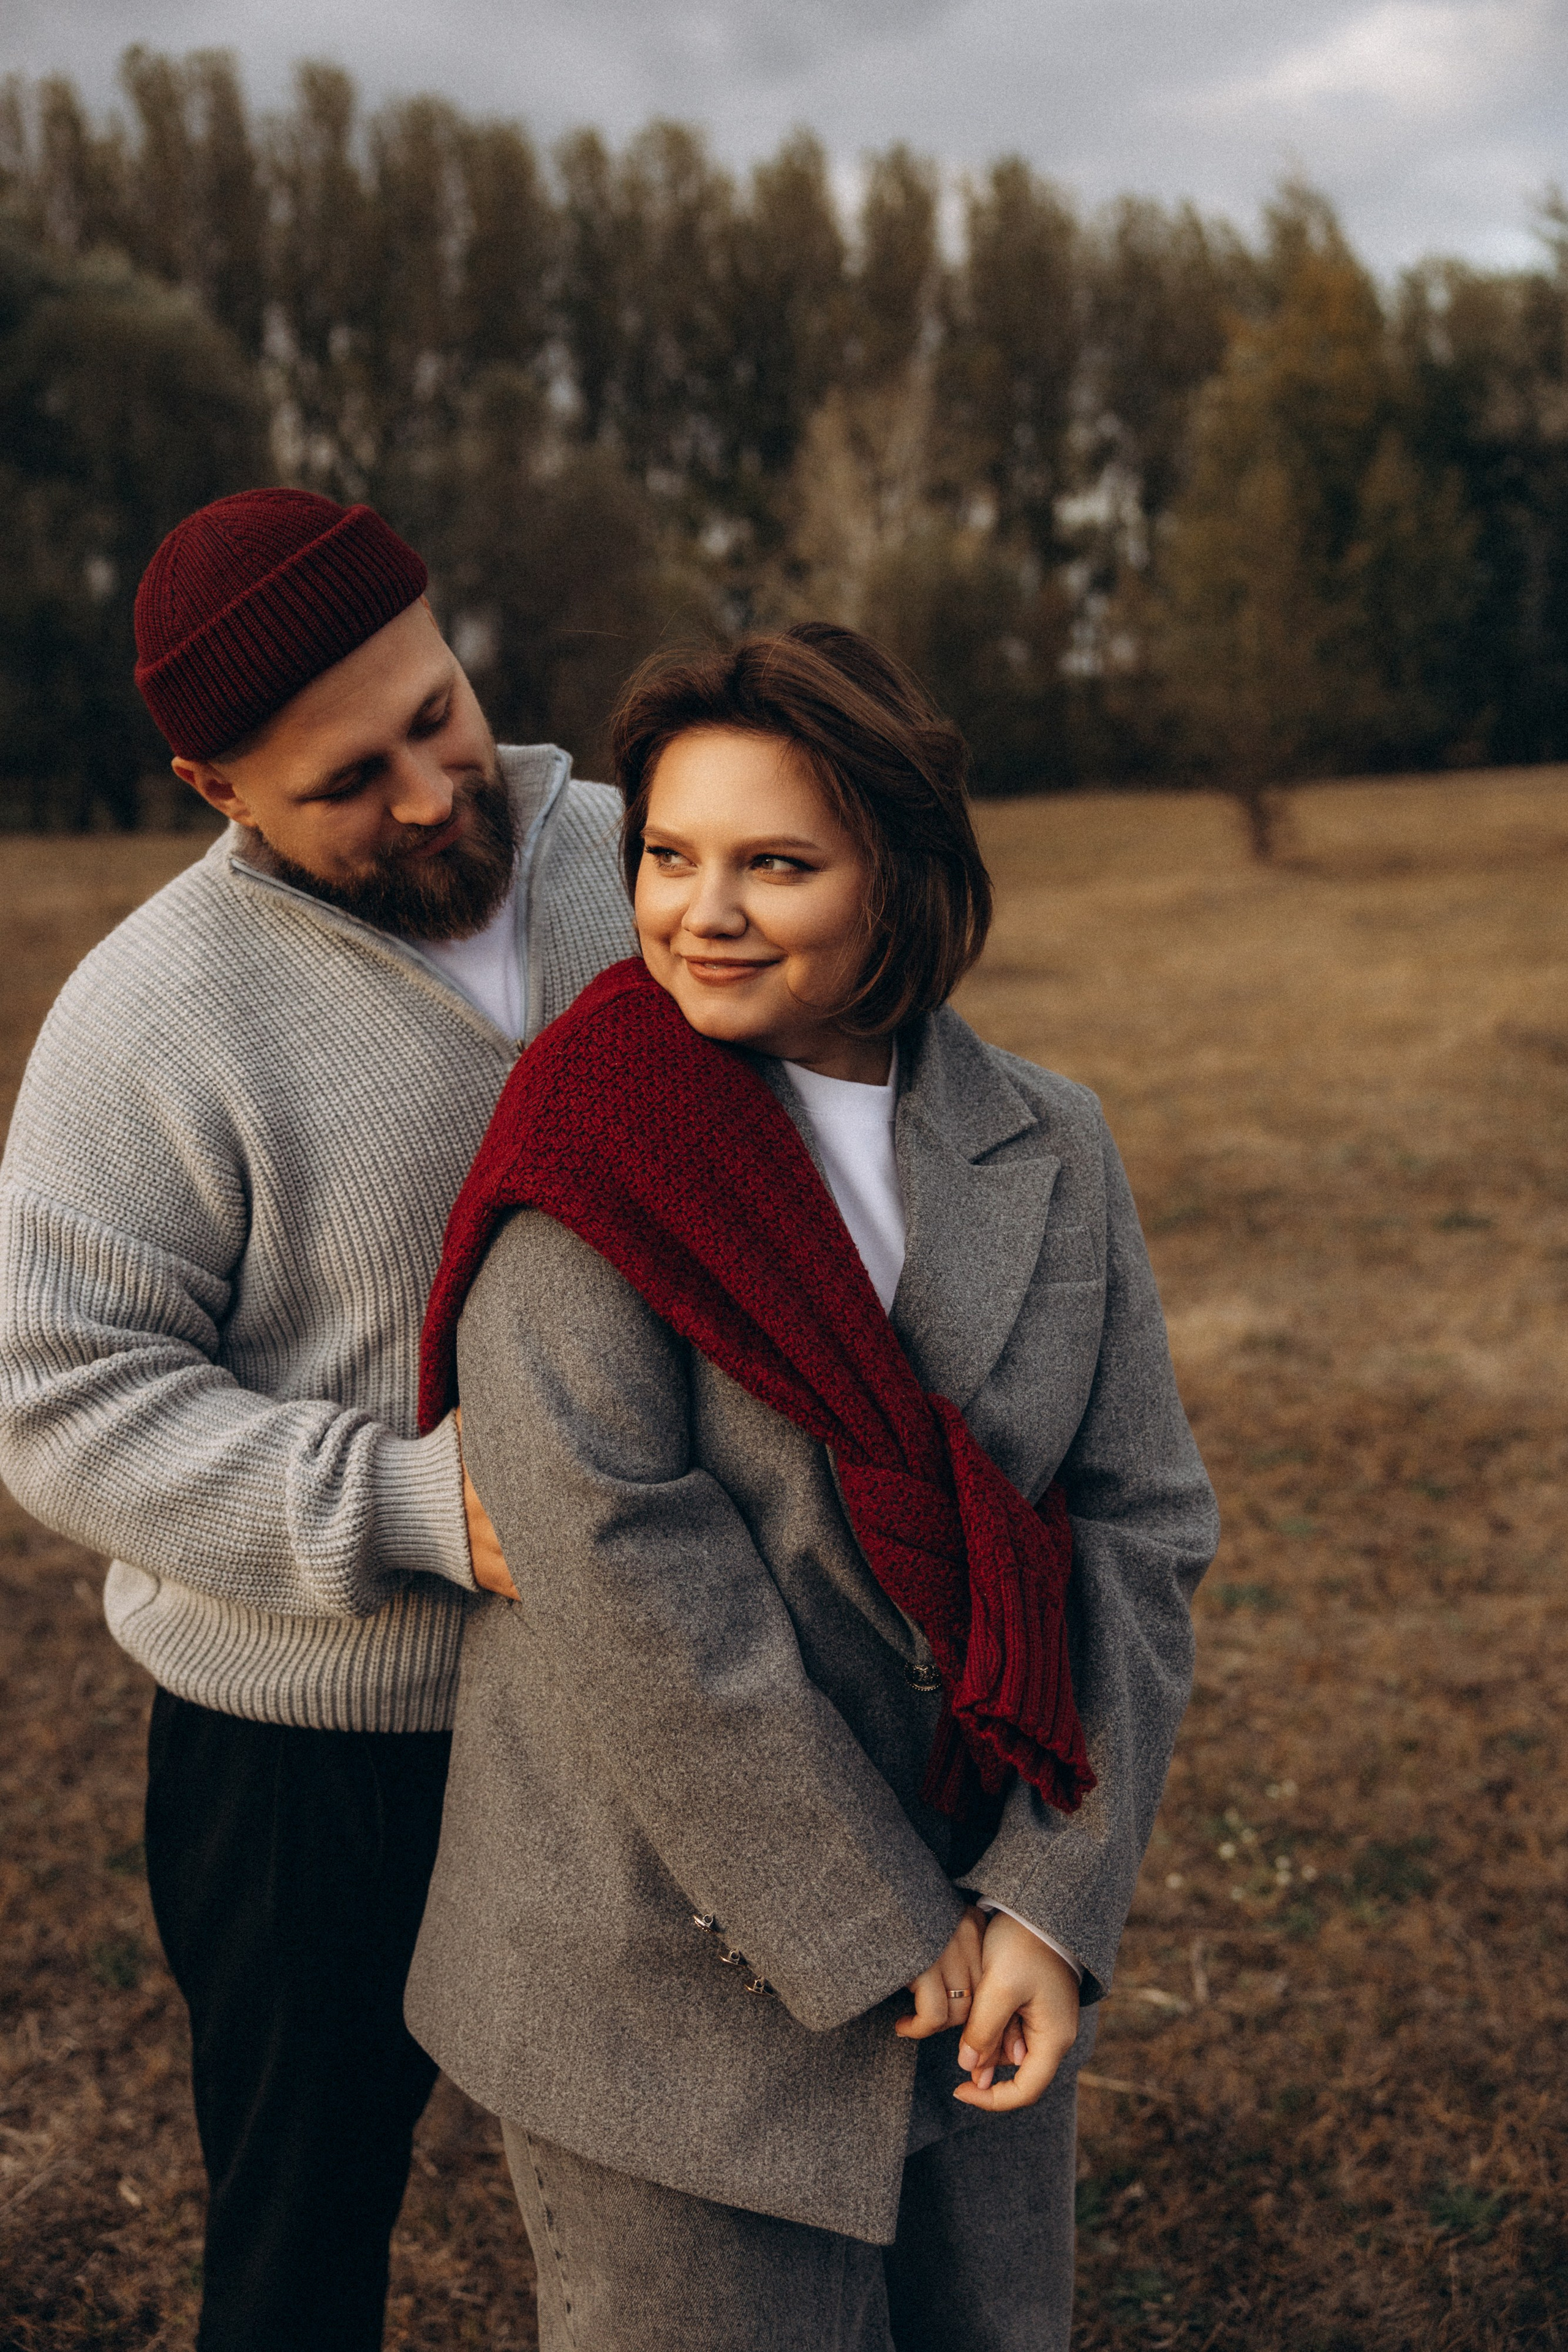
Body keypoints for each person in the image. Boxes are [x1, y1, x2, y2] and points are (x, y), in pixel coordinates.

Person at [407, 623, 1219, 2351]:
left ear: (900, 878)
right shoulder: (585, 1145)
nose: (703, 910)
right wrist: (875, 1920)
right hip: (667, 1978)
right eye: (670, 856)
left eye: (776, 863)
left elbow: (1135, 1534)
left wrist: (1045, 1908)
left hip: (987, 1944)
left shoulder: (1048, 1143)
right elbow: (625, 1572)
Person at [0, 488, 635, 2351]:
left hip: (648, 1681)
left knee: (680, 2188)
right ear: (216, 789)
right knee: (303, 2227)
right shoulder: (148, 1018)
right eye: (350, 781)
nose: (435, 795)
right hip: (308, 1750)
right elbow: (58, 1396)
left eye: (436, 715)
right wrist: (429, 1511)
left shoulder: (636, 854)